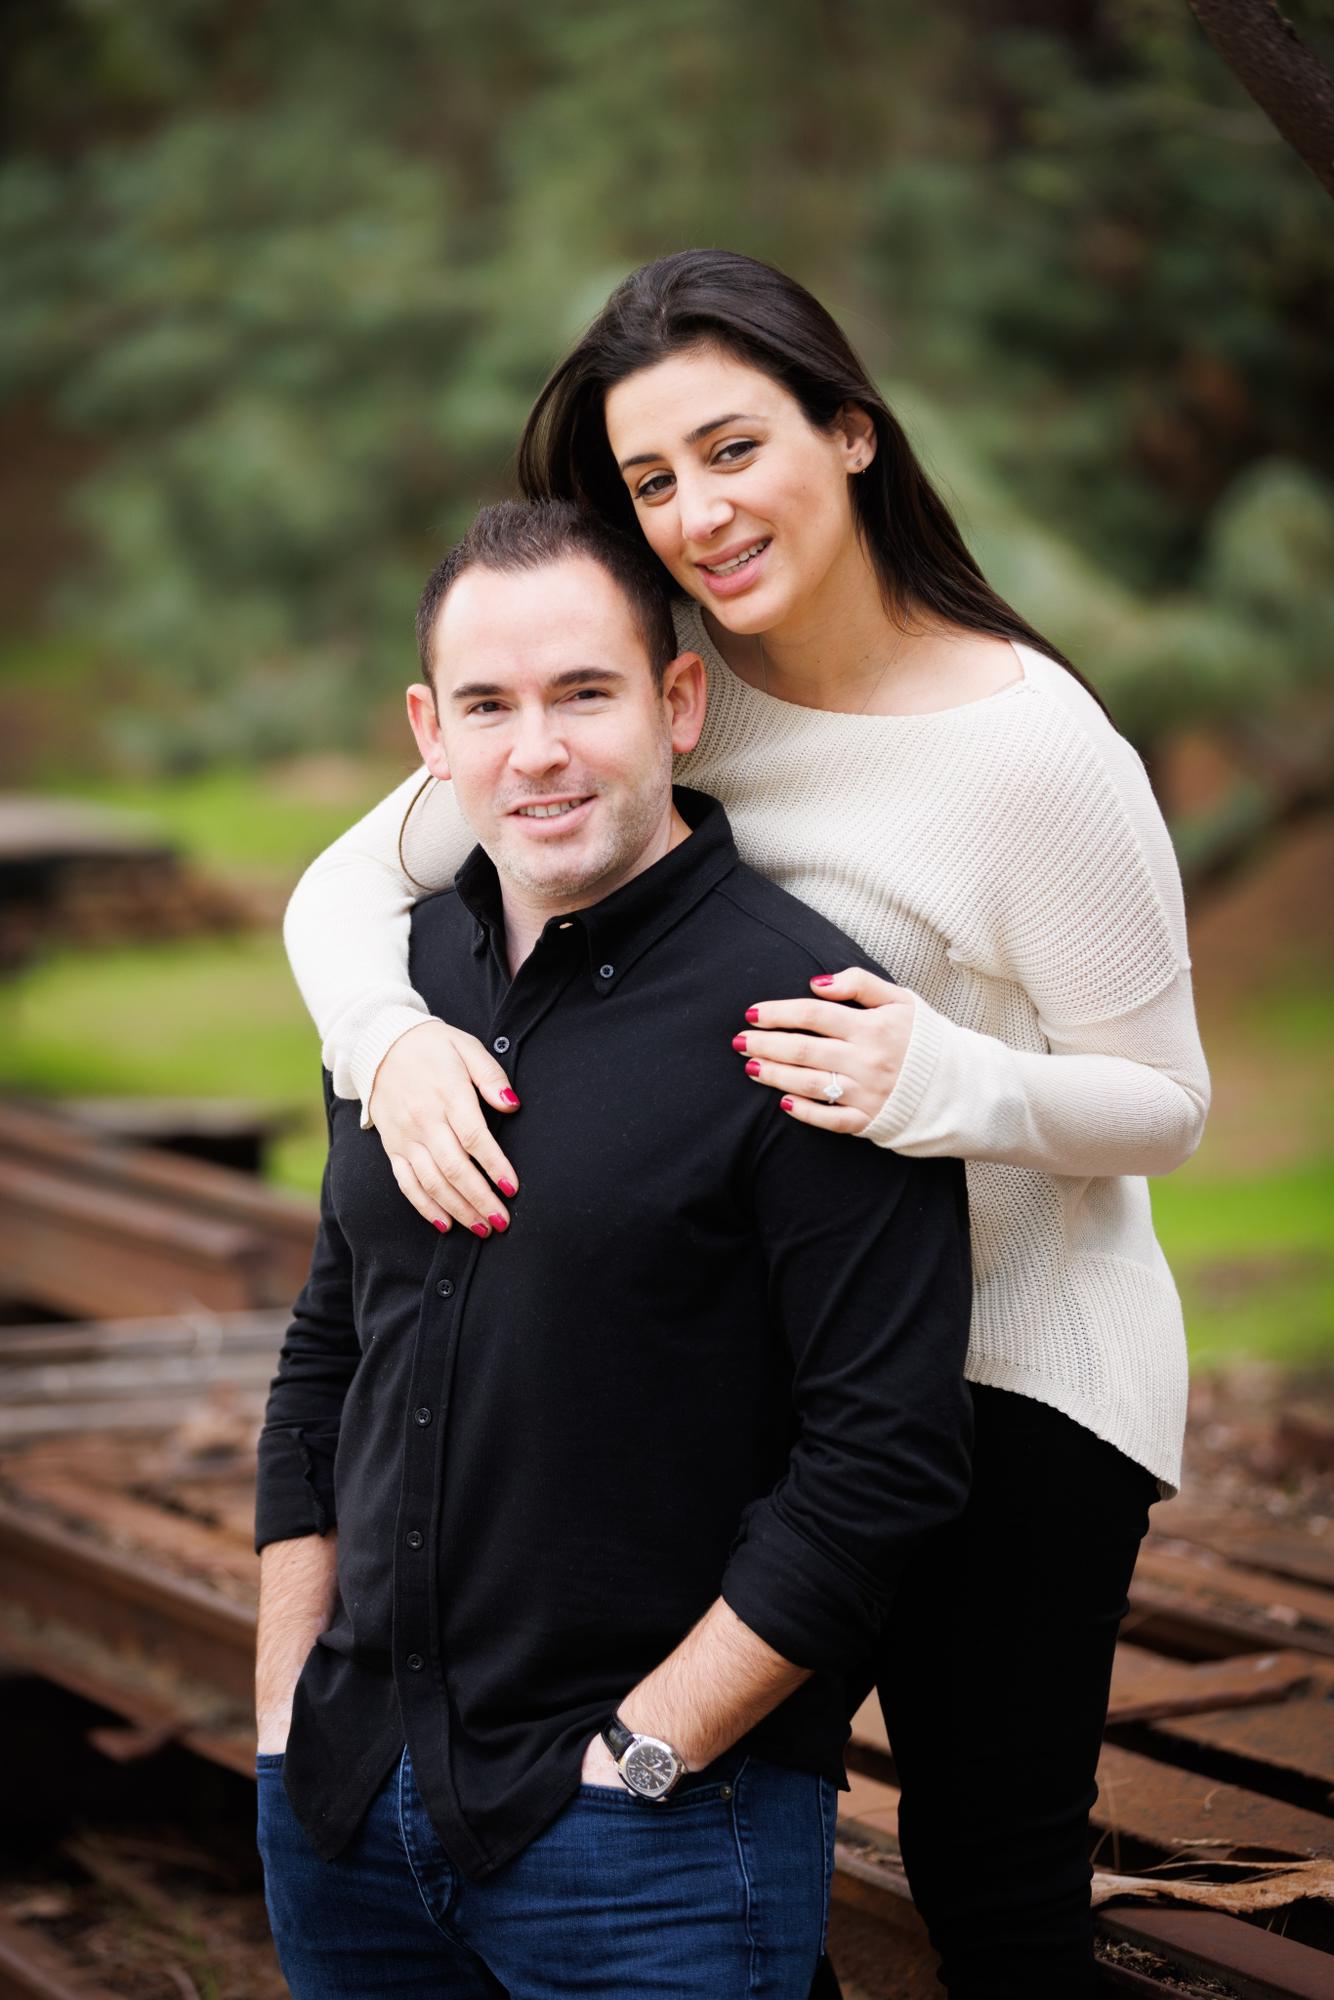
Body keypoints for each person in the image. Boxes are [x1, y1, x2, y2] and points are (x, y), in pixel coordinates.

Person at [281, 251, 1211, 1998]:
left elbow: (1166, 1105)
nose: (695, 515)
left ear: (849, 432)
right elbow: (344, 888)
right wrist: (386, 1041)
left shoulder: (1033, 752)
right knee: (715, 1816)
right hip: (765, 1354)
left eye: (731, 449)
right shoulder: (659, 689)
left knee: (985, 1883)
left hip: (1011, 1381)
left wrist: (950, 1084)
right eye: (650, 480)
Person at [254, 498, 974, 2000]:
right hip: (348, 1806)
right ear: (429, 735)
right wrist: (283, 1711)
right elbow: (331, 1345)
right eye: (488, 706)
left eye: (584, 693)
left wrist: (646, 1753)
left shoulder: (809, 1017)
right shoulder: (401, 986)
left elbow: (883, 1455)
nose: (537, 752)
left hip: (651, 1839)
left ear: (679, 703)